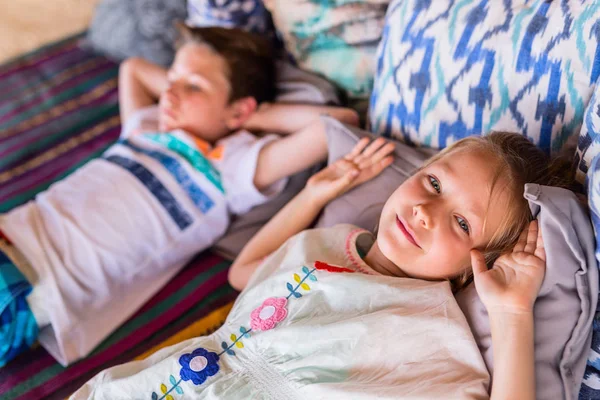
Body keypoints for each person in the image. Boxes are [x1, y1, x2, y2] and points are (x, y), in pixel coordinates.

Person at [71, 132, 551, 399]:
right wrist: (316, 191)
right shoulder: (329, 243)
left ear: (476, 266)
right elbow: (246, 274)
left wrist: (511, 317)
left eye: (463, 223)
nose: (426, 211)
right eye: (432, 183)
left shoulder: (435, 335)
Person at [0, 25, 358, 367]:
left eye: (194, 87)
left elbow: (337, 123)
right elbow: (133, 69)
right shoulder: (147, 128)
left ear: (240, 109)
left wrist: (255, 118)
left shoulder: (231, 169)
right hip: (13, 231)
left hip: (42, 286)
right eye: (171, 81)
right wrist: (187, 87)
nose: (169, 95)